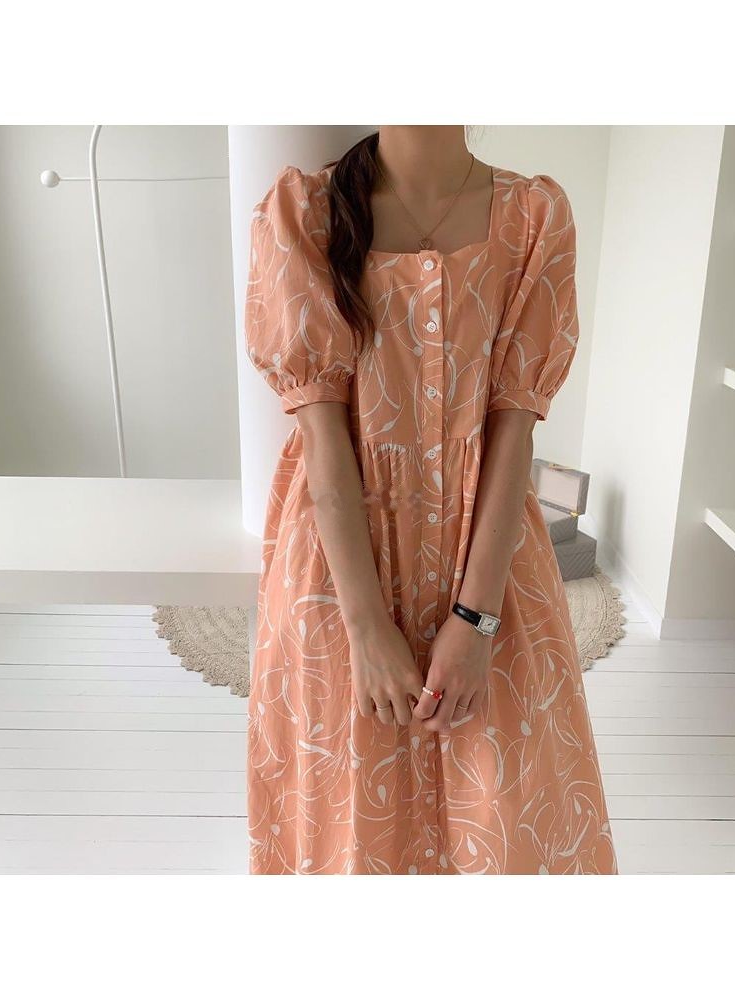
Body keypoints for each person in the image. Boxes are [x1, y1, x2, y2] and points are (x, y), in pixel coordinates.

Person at [243, 125, 617, 874]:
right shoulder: (303, 212)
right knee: (350, 827)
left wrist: (475, 621)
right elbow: (322, 436)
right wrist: (365, 626)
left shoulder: (535, 216)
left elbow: (514, 431)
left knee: (507, 817)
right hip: (338, 577)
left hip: (491, 566)